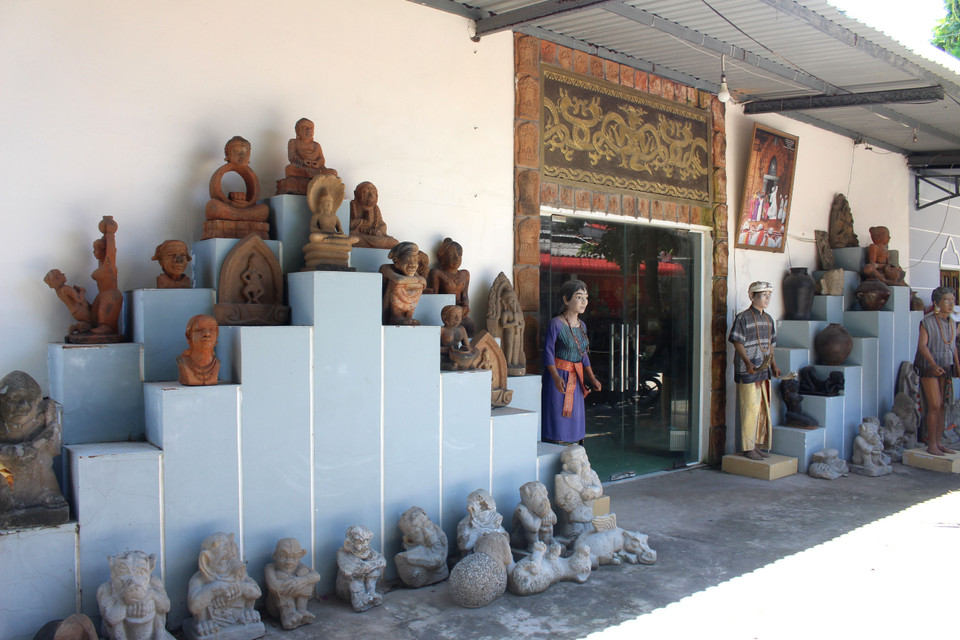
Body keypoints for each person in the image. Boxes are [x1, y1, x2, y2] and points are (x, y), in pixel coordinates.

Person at [541, 279, 601, 444]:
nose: (584, 302)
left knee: (576, 415)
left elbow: (583, 355)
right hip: (559, 377)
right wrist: (554, 376)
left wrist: (592, 378)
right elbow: (548, 352)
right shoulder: (555, 324)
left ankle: (575, 446)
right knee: (558, 413)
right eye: (579, 297)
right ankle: (555, 445)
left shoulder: (582, 326)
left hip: (576, 376)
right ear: (566, 300)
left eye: (586, 298)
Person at [728, 281, 781, 460]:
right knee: (749, 408)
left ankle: (757, 444)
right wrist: (747, 362)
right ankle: (747, 446)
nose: (768, 299)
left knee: (761, 409)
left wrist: (774, 365)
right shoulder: (743, 318)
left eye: (769, 295)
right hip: (748, 370)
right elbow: (737, 341)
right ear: (752, 297)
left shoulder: (769, 319)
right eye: (763, 295)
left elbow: (770, 345)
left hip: (763, 370)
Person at [914, 286, 960, 455]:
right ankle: (931, 443)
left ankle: (939, 442)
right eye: (947, 300)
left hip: (946, 366)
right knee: (934, 405)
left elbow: (953, 346)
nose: (951, 304)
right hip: (929, 368)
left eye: (953, 300)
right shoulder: (927, 322)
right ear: (936, 303)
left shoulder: (952, 323)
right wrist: (933, 364)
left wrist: (957, 366)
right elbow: (922, 346)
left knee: (943, 407)